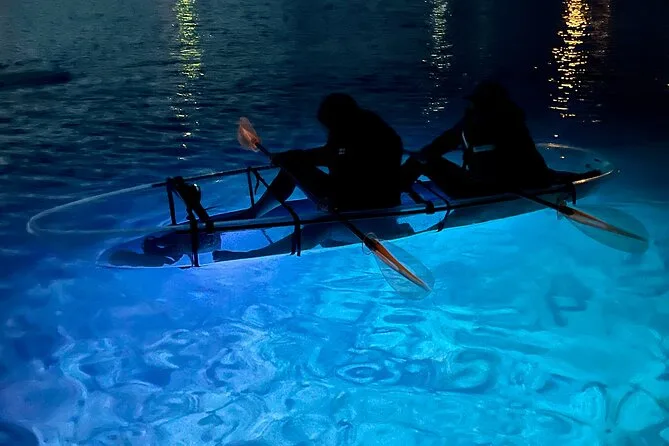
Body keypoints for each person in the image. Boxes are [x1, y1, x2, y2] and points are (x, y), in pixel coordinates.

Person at [212, 93, 409, 262]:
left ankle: (254, 255)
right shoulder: (345, 130)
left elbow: (372, 180)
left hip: (373, 209)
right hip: (344, 195)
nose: (328, 130)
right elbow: (331, 154)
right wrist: (291, 157)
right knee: (293, 165)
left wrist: (337, 199)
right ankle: (254, 213)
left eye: (330, 124)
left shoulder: (374, 135)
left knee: (322, 227)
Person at [400, 81, 554, 198]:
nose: (472, 106)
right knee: (421, 158)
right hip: (489, 184)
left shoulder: (491, 123)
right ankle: (396, 188)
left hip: (487, 189)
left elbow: (443, 143)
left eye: (476, 102)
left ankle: (392, 195)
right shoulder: (503, 121)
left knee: (420, 161)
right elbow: (443, 143)